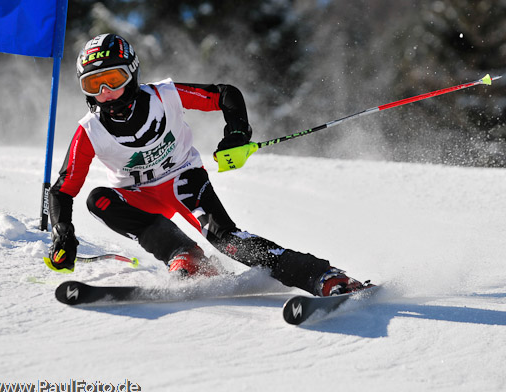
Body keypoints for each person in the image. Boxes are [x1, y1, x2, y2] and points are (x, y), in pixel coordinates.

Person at [47, 33, 368, 297]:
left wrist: (237, 133)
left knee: (226, 239)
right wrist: (63, 233)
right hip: (136, 196)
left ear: (132, 74)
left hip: (183, 181)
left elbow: (225, 95)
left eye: (113, 80)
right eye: (94, 86)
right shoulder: (89, 131)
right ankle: (182, 253)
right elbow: (62, 189)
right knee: (98, 200)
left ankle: (321, 276)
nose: (106, 94)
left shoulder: (165, 97)